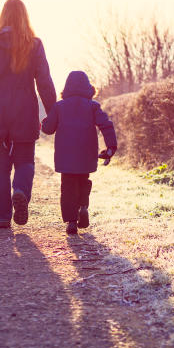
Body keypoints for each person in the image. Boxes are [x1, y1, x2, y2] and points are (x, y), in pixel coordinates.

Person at [0, 0, 57, 228]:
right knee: (25, 160)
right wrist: (53, 113)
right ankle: (20, 191)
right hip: (24, 112)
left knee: (0, 165)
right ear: (25, 17)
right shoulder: (34, 45)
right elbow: (44, 82)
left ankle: (3, 217)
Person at [41, 70, 117, 234]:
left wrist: (44, 122)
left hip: (65, 154)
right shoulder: (93, 106)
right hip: (86, 153)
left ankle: (71, 222)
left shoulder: (59, 106)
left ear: (66, 87)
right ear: (88, 87)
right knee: (83, 180)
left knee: (67, 185)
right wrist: (111, 147)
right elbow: (106, 125)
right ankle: (83, 206)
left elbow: (48, 129)